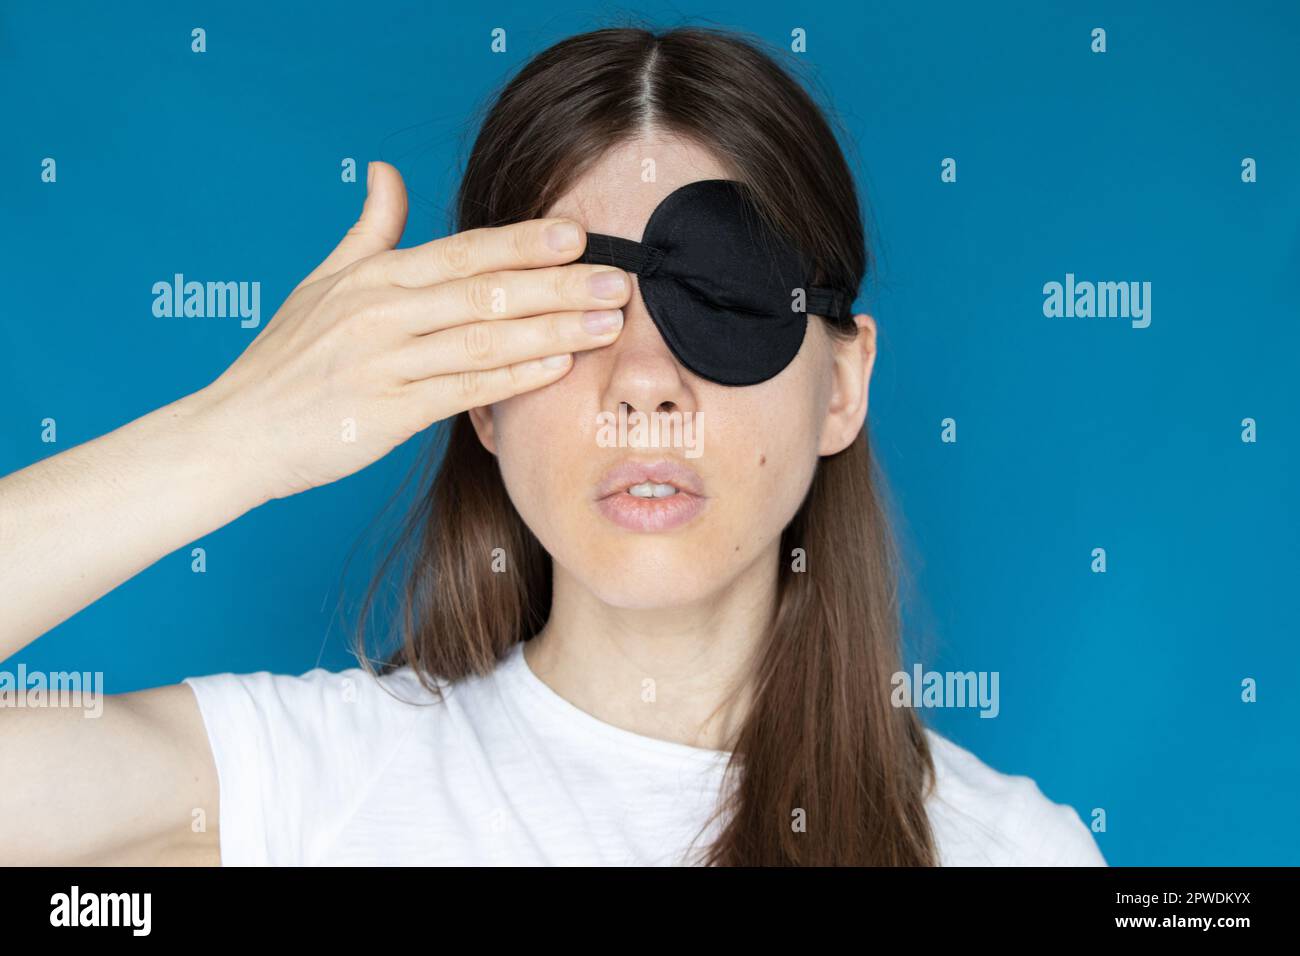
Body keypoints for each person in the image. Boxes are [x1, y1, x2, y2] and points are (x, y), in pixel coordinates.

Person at [0, 26, 1105, 866]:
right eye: (571, 314)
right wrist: (235, 435)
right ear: (479, 394)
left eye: (719, 299)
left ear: (841, 387)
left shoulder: (1011, 847)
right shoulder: (300, 785)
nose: (642, 383)